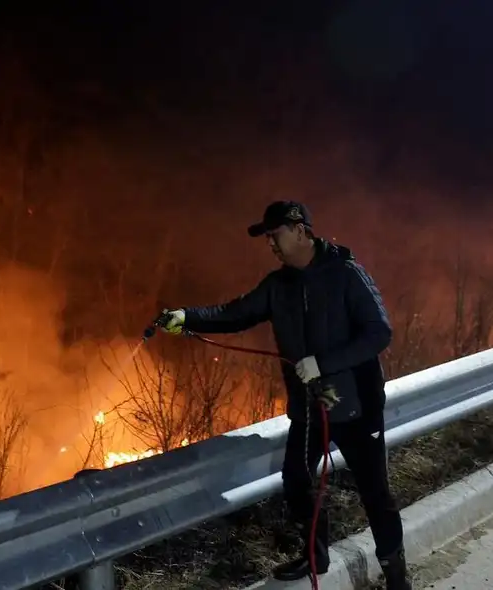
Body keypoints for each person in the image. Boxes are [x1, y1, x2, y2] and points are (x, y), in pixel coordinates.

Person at [151, 201, 410, 590]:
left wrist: (322, 363)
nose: (270, 244)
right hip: (309, 408)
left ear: (301, 230)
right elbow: (235, 312)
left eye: (275, 235)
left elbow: (379, 333)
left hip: (356, 407)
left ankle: (395, 574)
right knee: (296, 481)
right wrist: (187, 316)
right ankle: (315, 556)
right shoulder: (279, 286)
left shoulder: (346, 274)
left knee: (375, 494)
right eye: (267, 238)